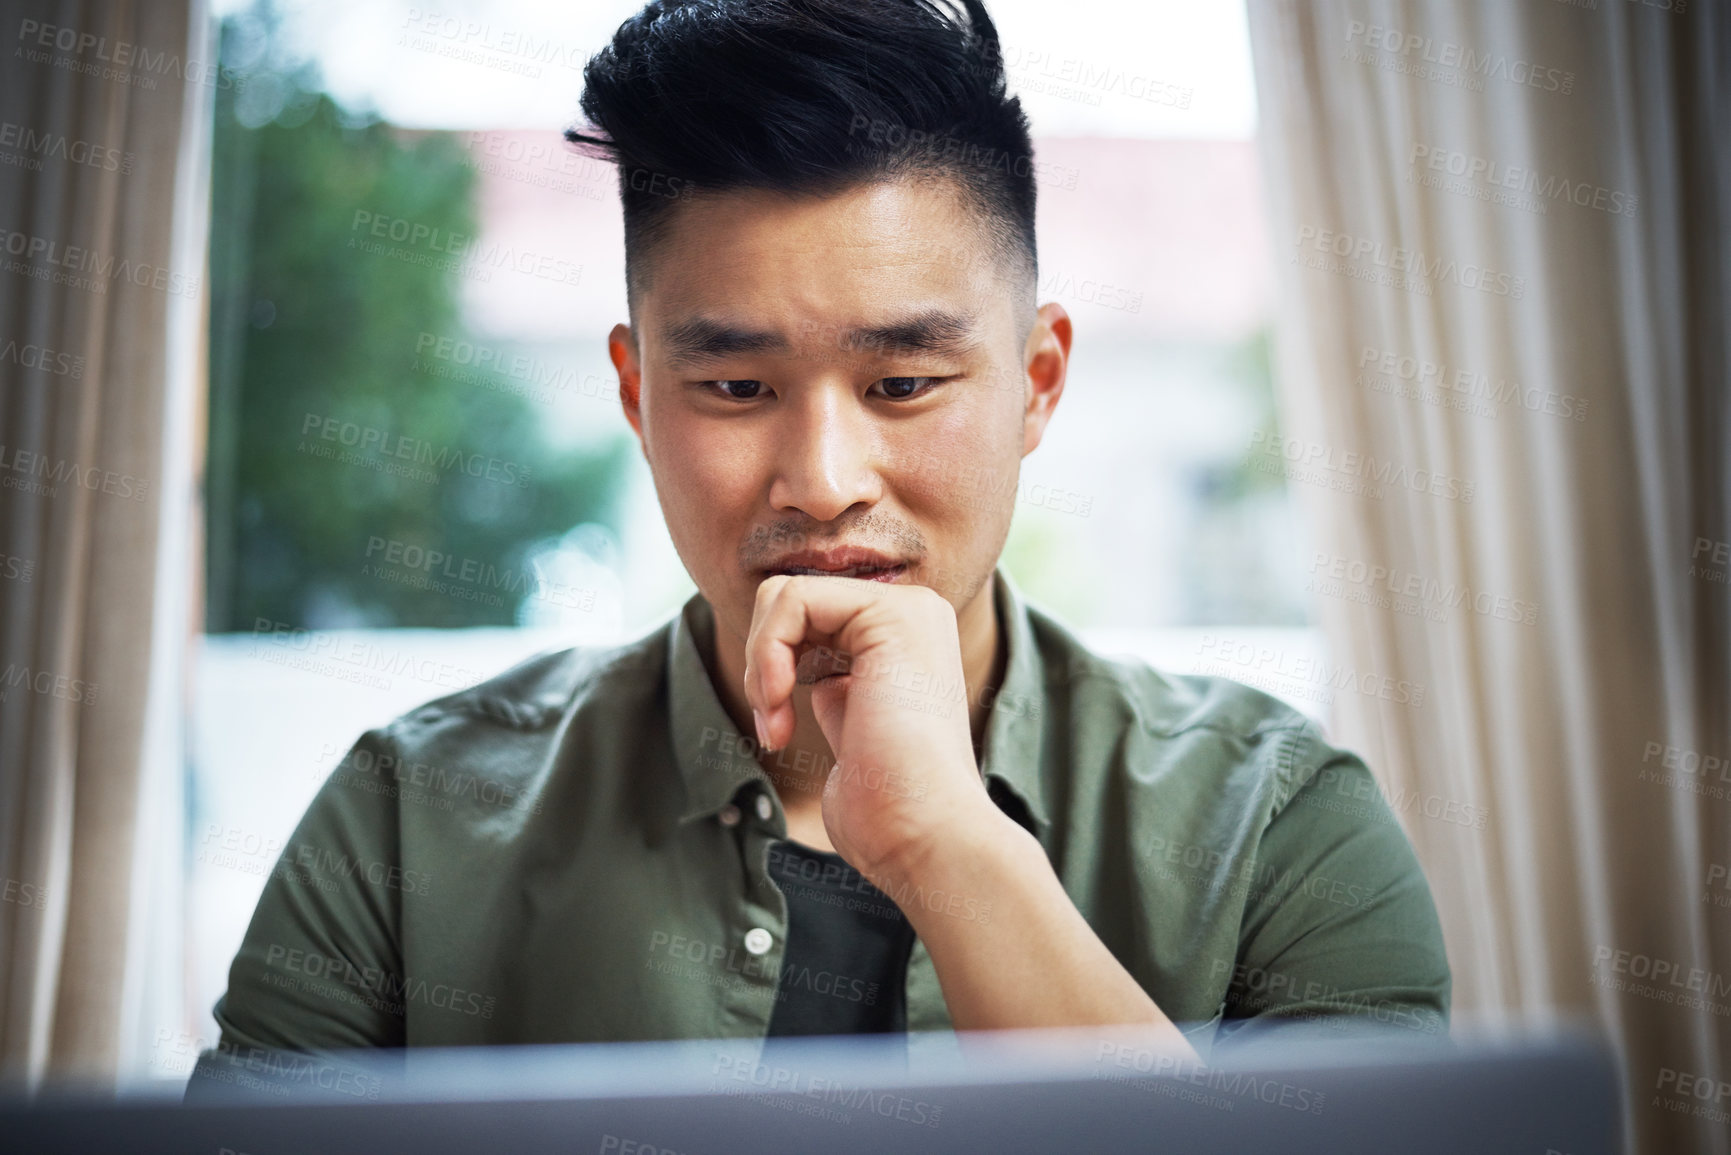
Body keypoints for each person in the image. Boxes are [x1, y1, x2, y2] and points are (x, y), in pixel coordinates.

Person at [189, 0, 1448, 1096]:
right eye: (736, 387)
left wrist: (945, 845)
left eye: (903, 382)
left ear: (1038, 383)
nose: (825, 482)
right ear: (636, 395)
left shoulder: (1277, 823)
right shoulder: (407, 818)